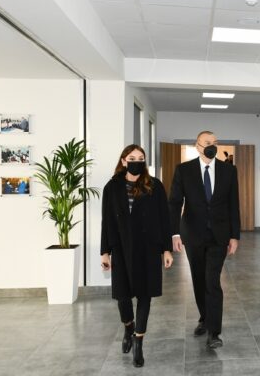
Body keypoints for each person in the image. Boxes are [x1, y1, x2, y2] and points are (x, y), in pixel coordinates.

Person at [101, 144, 174, 368]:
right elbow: (107, 221)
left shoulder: (155, 186)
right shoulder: (112, 187)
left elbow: (164, 219)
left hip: (148, 248)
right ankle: (128, 327)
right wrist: (105, 252)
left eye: (140, 158)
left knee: (145, 295)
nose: (136, 162)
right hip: (121, 249)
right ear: (124, 161)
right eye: (132, 158)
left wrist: (166, 249)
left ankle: (139, 343)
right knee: (122, 296)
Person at [169, 131, 240, 349]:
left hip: (219, 235)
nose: (212, 146)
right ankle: (204, 318)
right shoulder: (184, 170)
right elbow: (174, 203)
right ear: (197, 146)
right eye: (208, 142)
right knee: (199, 280)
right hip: (193, 234)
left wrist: (234, 235)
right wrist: (174, 233)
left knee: (212, 281)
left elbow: (233, 204)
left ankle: (214, 332)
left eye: (215, 142)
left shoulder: (229, 170)